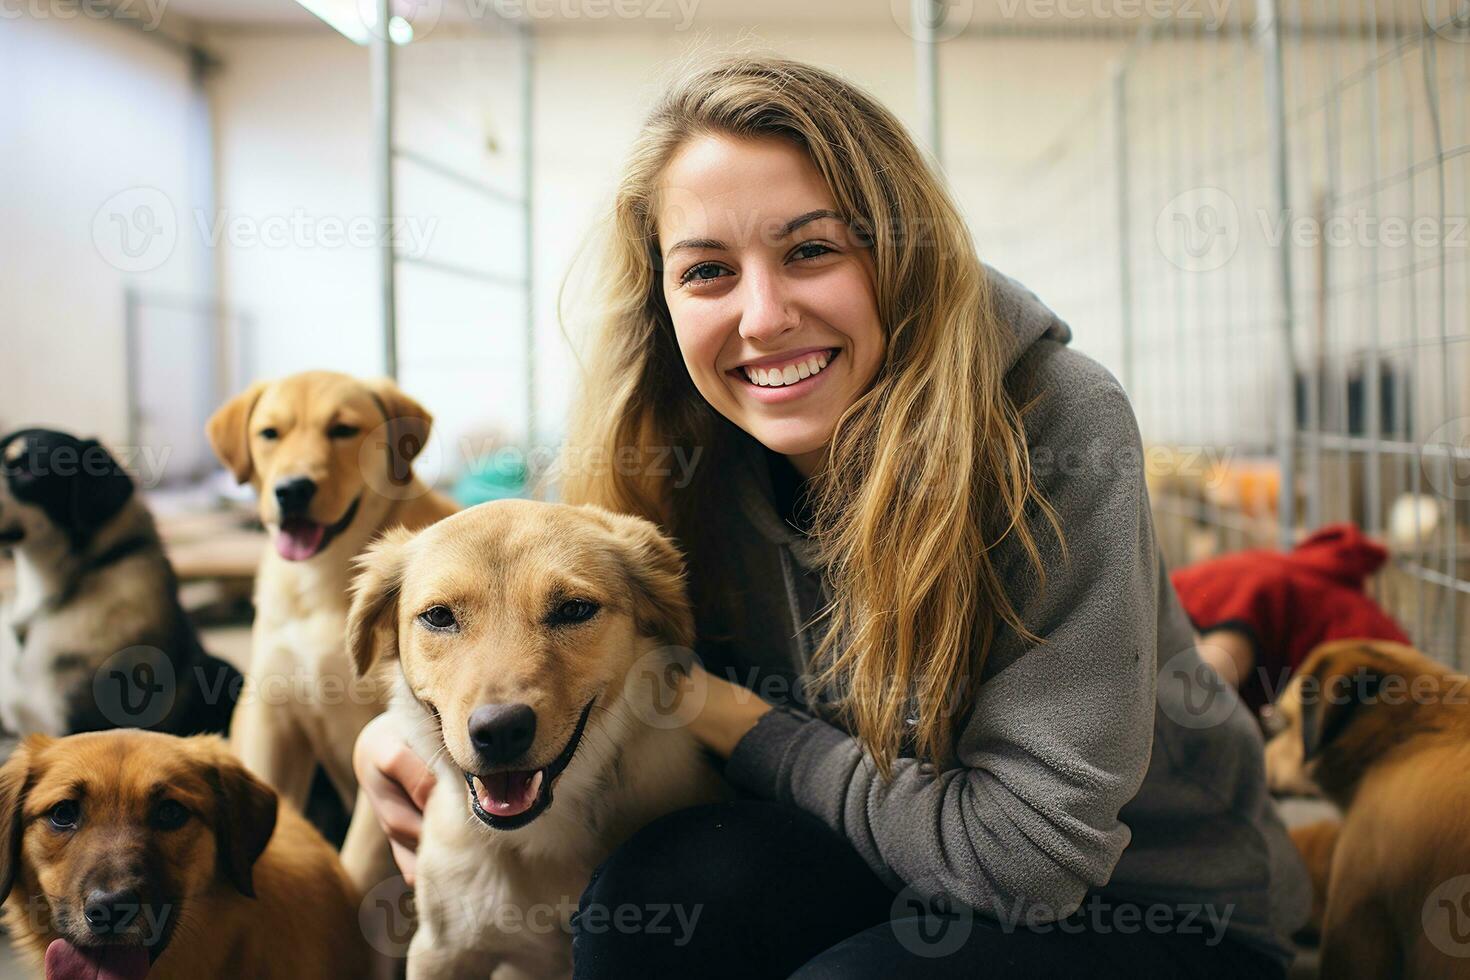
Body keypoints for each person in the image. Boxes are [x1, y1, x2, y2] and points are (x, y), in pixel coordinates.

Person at [353, 55, 1309, 979]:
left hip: (1143, 907)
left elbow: (1031, 861)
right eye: (707, 271)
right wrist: (399, 735)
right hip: (872, 853)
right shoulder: (662, 438)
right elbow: (509, 624)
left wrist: (747, 724)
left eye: (811, 250)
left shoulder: (1056, 422)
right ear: (662, 297)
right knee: (643, 908)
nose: (762, 317)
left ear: (901, 253)